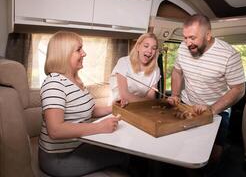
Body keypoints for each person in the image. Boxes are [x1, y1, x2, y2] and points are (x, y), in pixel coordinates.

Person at [38, 31, 128, 177]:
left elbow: (89, 111)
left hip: (78, 147)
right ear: (64, 54)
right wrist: (99, 127)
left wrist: (113, 108)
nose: (84, 53)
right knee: (126, 156)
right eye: (79, 49)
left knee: (123, 147)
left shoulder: (76, 80)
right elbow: (55, 130)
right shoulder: (54, 83)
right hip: (59, 158)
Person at [168, 14, 245, 164]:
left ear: (208, 35)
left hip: (217, 111)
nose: (187, 43)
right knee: (182, 148)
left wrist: (211, 109)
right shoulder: (183, 48)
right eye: (185, 37)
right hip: (186, 104)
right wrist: (176, 94)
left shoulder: (229, 55)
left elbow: (238, 89)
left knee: (212, 156)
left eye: (192, 38)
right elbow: (177, 71)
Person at [110, 32, 161, 107]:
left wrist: (145, 101)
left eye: (153, 48)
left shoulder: (156, 70)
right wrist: (145, 100)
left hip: (141, 109)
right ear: (138, 47)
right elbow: (124, 96)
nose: (150, 51)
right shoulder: (123, 62)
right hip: (120, 108)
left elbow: (151, 98)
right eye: (146, 46)